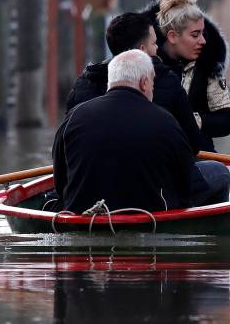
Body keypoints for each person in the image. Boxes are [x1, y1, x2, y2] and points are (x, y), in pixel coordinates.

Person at [63, 12, 230, 208]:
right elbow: (189, 150)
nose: (158, 49)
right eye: (154, 43)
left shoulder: (82, 89)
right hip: (151, 194)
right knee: (220, 172)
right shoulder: (166, 90)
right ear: (144, 82)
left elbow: (64, 162)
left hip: (86, 197)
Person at [53, 50, 197, 214]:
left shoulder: (73, 116)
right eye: (152, 84)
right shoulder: (166, 121)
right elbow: (186, 181)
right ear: (144, 82)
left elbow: (60, 181)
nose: (152, 90)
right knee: (218, 172)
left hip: (82, 216)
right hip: (148, 218)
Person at [146, 0, 230, 153]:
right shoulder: (143, 65)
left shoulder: (208, 65)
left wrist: (192, 120)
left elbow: (227, 120)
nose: (203, 41)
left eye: (203, 33)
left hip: (199, 157)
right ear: (172, 36)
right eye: (195, 35)